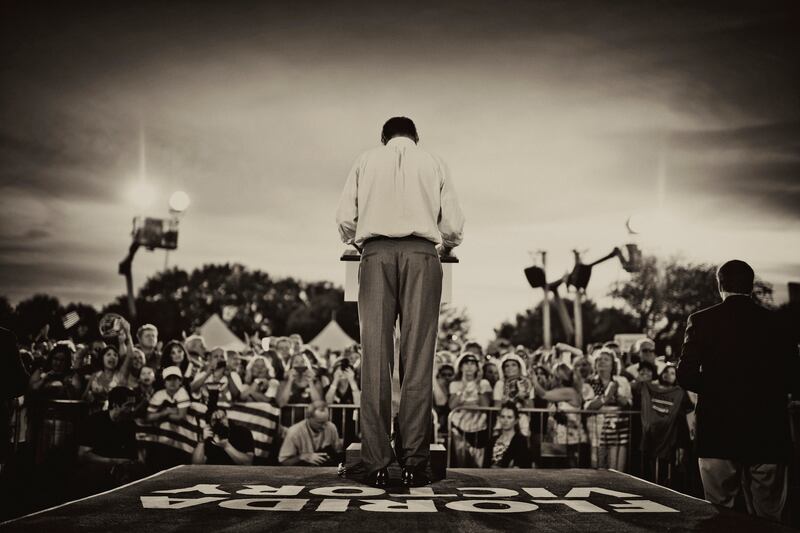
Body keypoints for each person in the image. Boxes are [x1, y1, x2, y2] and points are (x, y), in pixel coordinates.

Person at [336, 116, 465, 487]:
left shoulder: (365, 160)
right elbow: (453, 223)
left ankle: (375, 463)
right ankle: (413, 462)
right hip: (423, 254)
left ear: (383, 138)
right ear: (416, 137)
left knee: (374, 358)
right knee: (419, 358)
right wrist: (447, 246)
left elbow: (346, 219)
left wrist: (357, 240)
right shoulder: (434, 161)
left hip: (375, 254)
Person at [677, 259, 800, 522]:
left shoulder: (701, 320)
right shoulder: (779, 322)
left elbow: (685, 375)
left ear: (720, 284)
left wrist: (719, 389)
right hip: (768, 429)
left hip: (718, 427)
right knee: (769, 515)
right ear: (751, 285)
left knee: (720, 511)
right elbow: (793, 377)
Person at [78, 386, 146, 489]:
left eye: (133, 405)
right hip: (96, 471)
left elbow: (132, 455)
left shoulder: (129, 424)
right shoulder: (94, 421)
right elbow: (83, 455)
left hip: (119, 472)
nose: (132, 409)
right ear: (115, 405)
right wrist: (114, 462)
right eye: (128, 405)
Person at [448, 352, 492, 468]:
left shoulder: (484, 383)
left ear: (477, 367)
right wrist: (463, 388)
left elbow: (485, 405)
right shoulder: (454, 384)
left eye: (472, 363)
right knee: (460, 464)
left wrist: (477, 386)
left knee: (478, 465)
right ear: (460, 366)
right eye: (466, 363)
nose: (469, 367)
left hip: (479, 427)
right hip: (460, 428)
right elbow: (452, 406)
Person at [278, 401, 342, 466]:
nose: (324, 426)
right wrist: (301, 457)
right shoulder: (294, 432)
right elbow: (284, 461)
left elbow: (338, 452)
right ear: (308, 418)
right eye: (320, 422)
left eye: (326, 421)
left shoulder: (331, 427)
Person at [484, 402, 532, 468]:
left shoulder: (520, 441)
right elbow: (485, 465)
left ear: (516, 420)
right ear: (498, 418)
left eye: (509, 417)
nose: (505, 420)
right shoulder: (492, 441)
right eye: (502, 417)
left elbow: (519, 466)